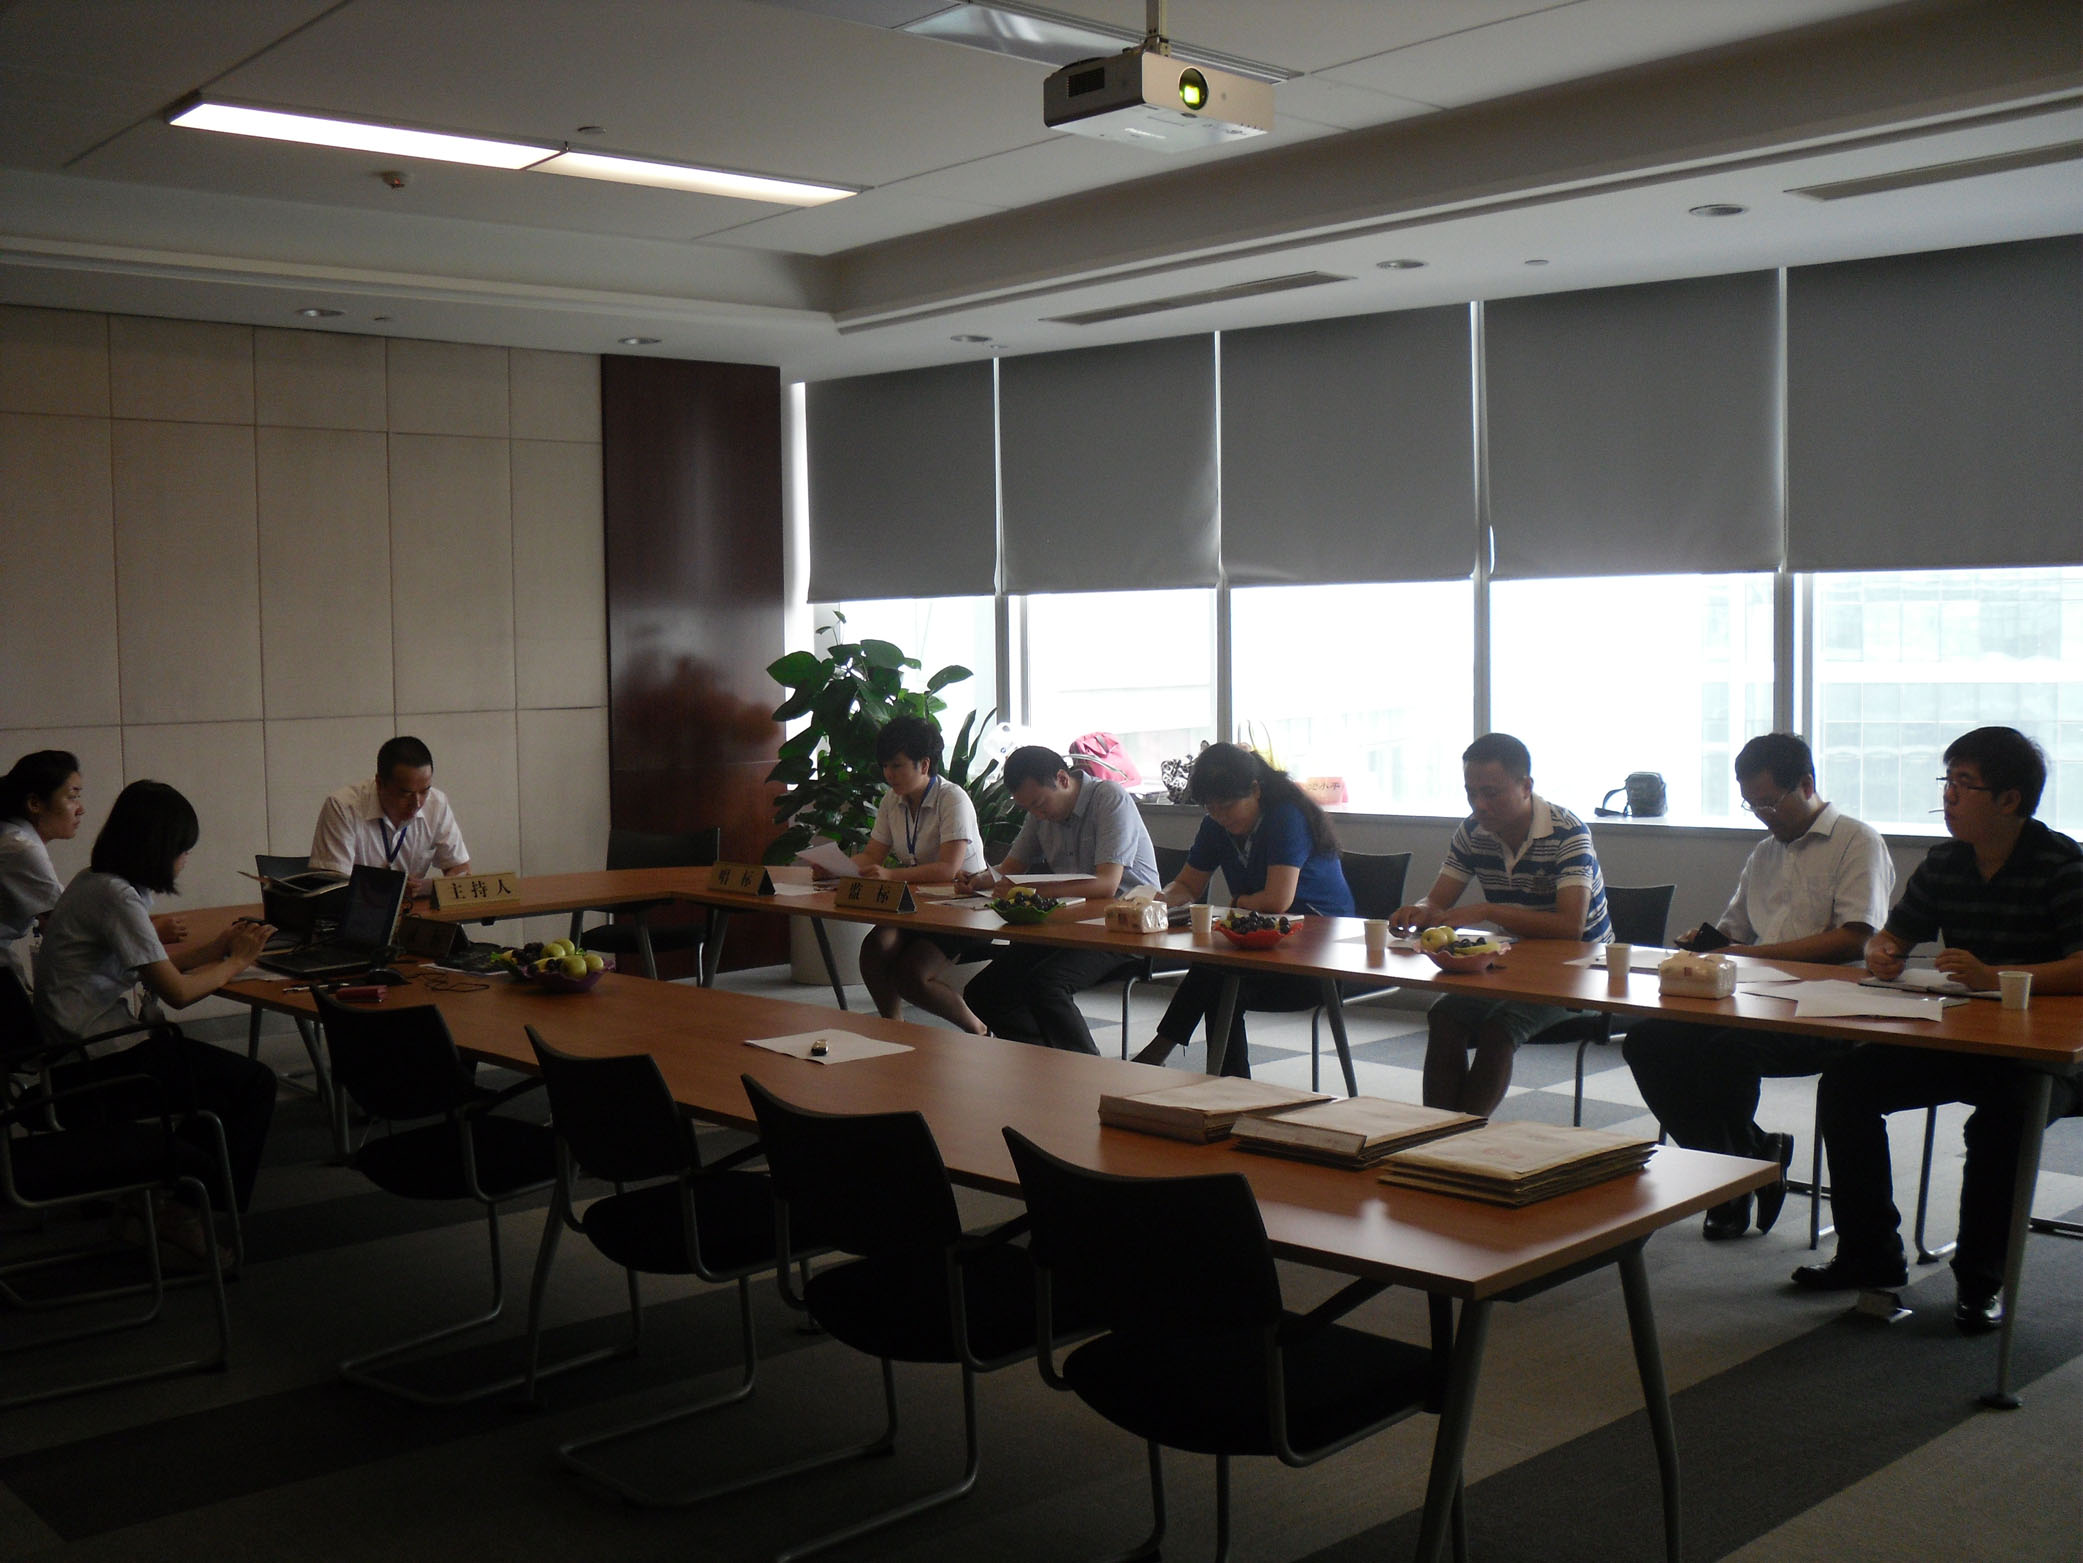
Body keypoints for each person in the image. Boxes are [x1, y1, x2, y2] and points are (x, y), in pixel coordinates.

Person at [1793, 727, 2081, 1333]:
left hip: (2051, 1056)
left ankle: (1981, 1282)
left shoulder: (2063, 865)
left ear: (2010, 799)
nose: (1947, 796)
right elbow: (1894, 933)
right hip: (1965, 1039)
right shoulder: (1947, 861)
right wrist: (1883, 951)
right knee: (1847, 1085)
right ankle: (1870, 1256)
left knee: (2003, 1121)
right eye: (1946, 782)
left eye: (1963, 785)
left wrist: (1995, 977)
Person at [1623, 734, 1895, 1239]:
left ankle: (1729, 1181)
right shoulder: (1765, 853)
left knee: (1728, 1052)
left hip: (1828, 1009)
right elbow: (1737, 933)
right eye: (1751, 804)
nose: (1763, 815)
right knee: (1648, 1040)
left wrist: (1749, 954)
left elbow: (1854, 938)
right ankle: (1748, 1160)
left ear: (1807, 785)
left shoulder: (1858, 842)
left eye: (1770, 802)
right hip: (1753, 999)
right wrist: (1708, 942)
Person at [33, 780, 280, 1257]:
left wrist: (218, 949)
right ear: (157, 849)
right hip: (94, 1065)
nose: (185, 859)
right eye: (182, 850)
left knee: (223, 1082)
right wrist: (237, 962)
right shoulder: (117, 898)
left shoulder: (95, 881)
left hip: (74, 1051)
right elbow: (179, 993)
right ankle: (178, 1212)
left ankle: (151, 1194)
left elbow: (153, 967)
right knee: (253, 1085)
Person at [1393, 733, 1612, 1115]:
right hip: (1512, 965)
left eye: (1491, 793)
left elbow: (1570, 928)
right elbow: (1438, 901)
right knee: (1443, 1016)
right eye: (1471, 793)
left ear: (1526, 786)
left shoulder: (1568, 832)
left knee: (1500, 1027)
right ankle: (1436, 1134)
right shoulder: (1472, 831)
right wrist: (1419, 912)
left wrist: (1487, 910)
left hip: (1581, 973)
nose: (1480, 805)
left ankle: (1461, 1135)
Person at [1132, 744, 1353, 1076]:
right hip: (1261, 948)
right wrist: (1155, 902)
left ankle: (1170, 1055)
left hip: (1318, 957)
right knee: (1216, 977)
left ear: (1255, 789)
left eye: (1227, 806)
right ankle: (1224, 1082)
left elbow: (1277, 901)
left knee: (1216, 977)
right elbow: (1188, 884)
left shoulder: (1286, 817)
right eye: (1211, 809)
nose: (1221, 816)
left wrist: (1237, 903)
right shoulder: (1215, 827)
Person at [950, 745, 1161, 1054]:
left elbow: (1106, 885)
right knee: (985, 991)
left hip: (1126, 926)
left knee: (1047, 984)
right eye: (1029, 808)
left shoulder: (1109, 798)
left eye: (1039, 804)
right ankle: (1045, 1059)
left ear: (1062, 779)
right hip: (1070, 923)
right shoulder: (1039, 811)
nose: (1037, 814)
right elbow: (1010, 868)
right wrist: (981, 879)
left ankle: (1087, 1069)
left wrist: (1035, 891)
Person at [2, 750, 188, 982]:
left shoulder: (14, 836)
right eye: (72, 797)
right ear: (34, 803)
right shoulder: (21, 848)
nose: (81, 809)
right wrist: (153, 932)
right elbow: (63, 924)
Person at [851, 716, 990, 1026]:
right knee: (874, 949)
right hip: (917, 906)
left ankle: (979, 1030)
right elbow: (873, 854)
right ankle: (893, 1026)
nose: (889, 774)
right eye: (885, 766)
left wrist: (890, 876)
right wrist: (836, 869)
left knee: (911, 974)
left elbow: (947, 869)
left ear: (924, 764)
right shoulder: (892, 800)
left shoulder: (952, 798)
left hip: (962, 908)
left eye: (897, 765)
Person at [309, 735, 470, 898]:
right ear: (380, 784)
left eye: (424, 791)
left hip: (411, 909)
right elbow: (333, 887)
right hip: (355, 910)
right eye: (406, 794)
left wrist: (427, 888)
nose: (416, 803)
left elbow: (461, 870)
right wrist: (388, 890)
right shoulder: (343, 807)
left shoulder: (436, 804)